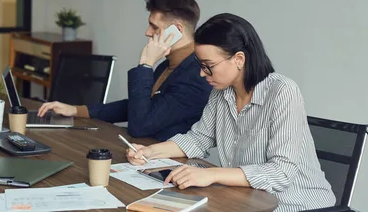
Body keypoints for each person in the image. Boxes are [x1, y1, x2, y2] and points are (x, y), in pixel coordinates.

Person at [125, 13, 336, 212]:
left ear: (239, 59)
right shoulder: (221, 93)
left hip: (298, 205)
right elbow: (198, 139)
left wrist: (211, 174)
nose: (201, 73)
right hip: (249, 201)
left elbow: (280, 172)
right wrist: (150, 152)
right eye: (200, 65)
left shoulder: (282, 91)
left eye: (208, 65)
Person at [38, 0, 212, 140]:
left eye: (154, 26)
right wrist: (76, 110)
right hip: (144, 156)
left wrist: (145, 64)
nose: (147, 32)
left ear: (177, 30)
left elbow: (140, 125)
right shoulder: (169, 65)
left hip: (169, 170)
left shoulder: (196, 76)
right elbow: (139, 105)